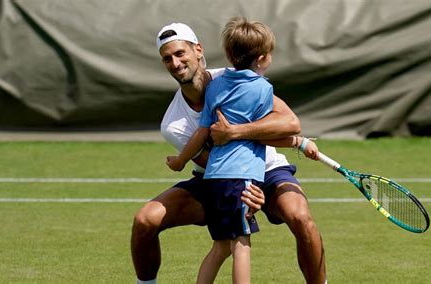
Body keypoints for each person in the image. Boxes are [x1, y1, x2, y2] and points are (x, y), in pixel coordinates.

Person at [131, 20, 327, 284]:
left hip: (268, 170)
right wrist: (242, 190)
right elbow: (213, 162)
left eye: (180, 54)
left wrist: (236, 132)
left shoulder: (235, 75)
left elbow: (290, 122)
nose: (175, 63)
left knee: (301, 217)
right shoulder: (172, 124)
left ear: (197, 50)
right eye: (167, 59)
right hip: (218, 178)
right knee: (145, 220)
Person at [165, 16, 280, 284]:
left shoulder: (215, 85)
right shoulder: (263, 89)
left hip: (213, 179)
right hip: (241, 178)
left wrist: (181, 161)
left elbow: (202, 132)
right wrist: (300, 142)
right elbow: (269, 132)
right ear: (262, 59)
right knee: (241, 245)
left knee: (220, 247)